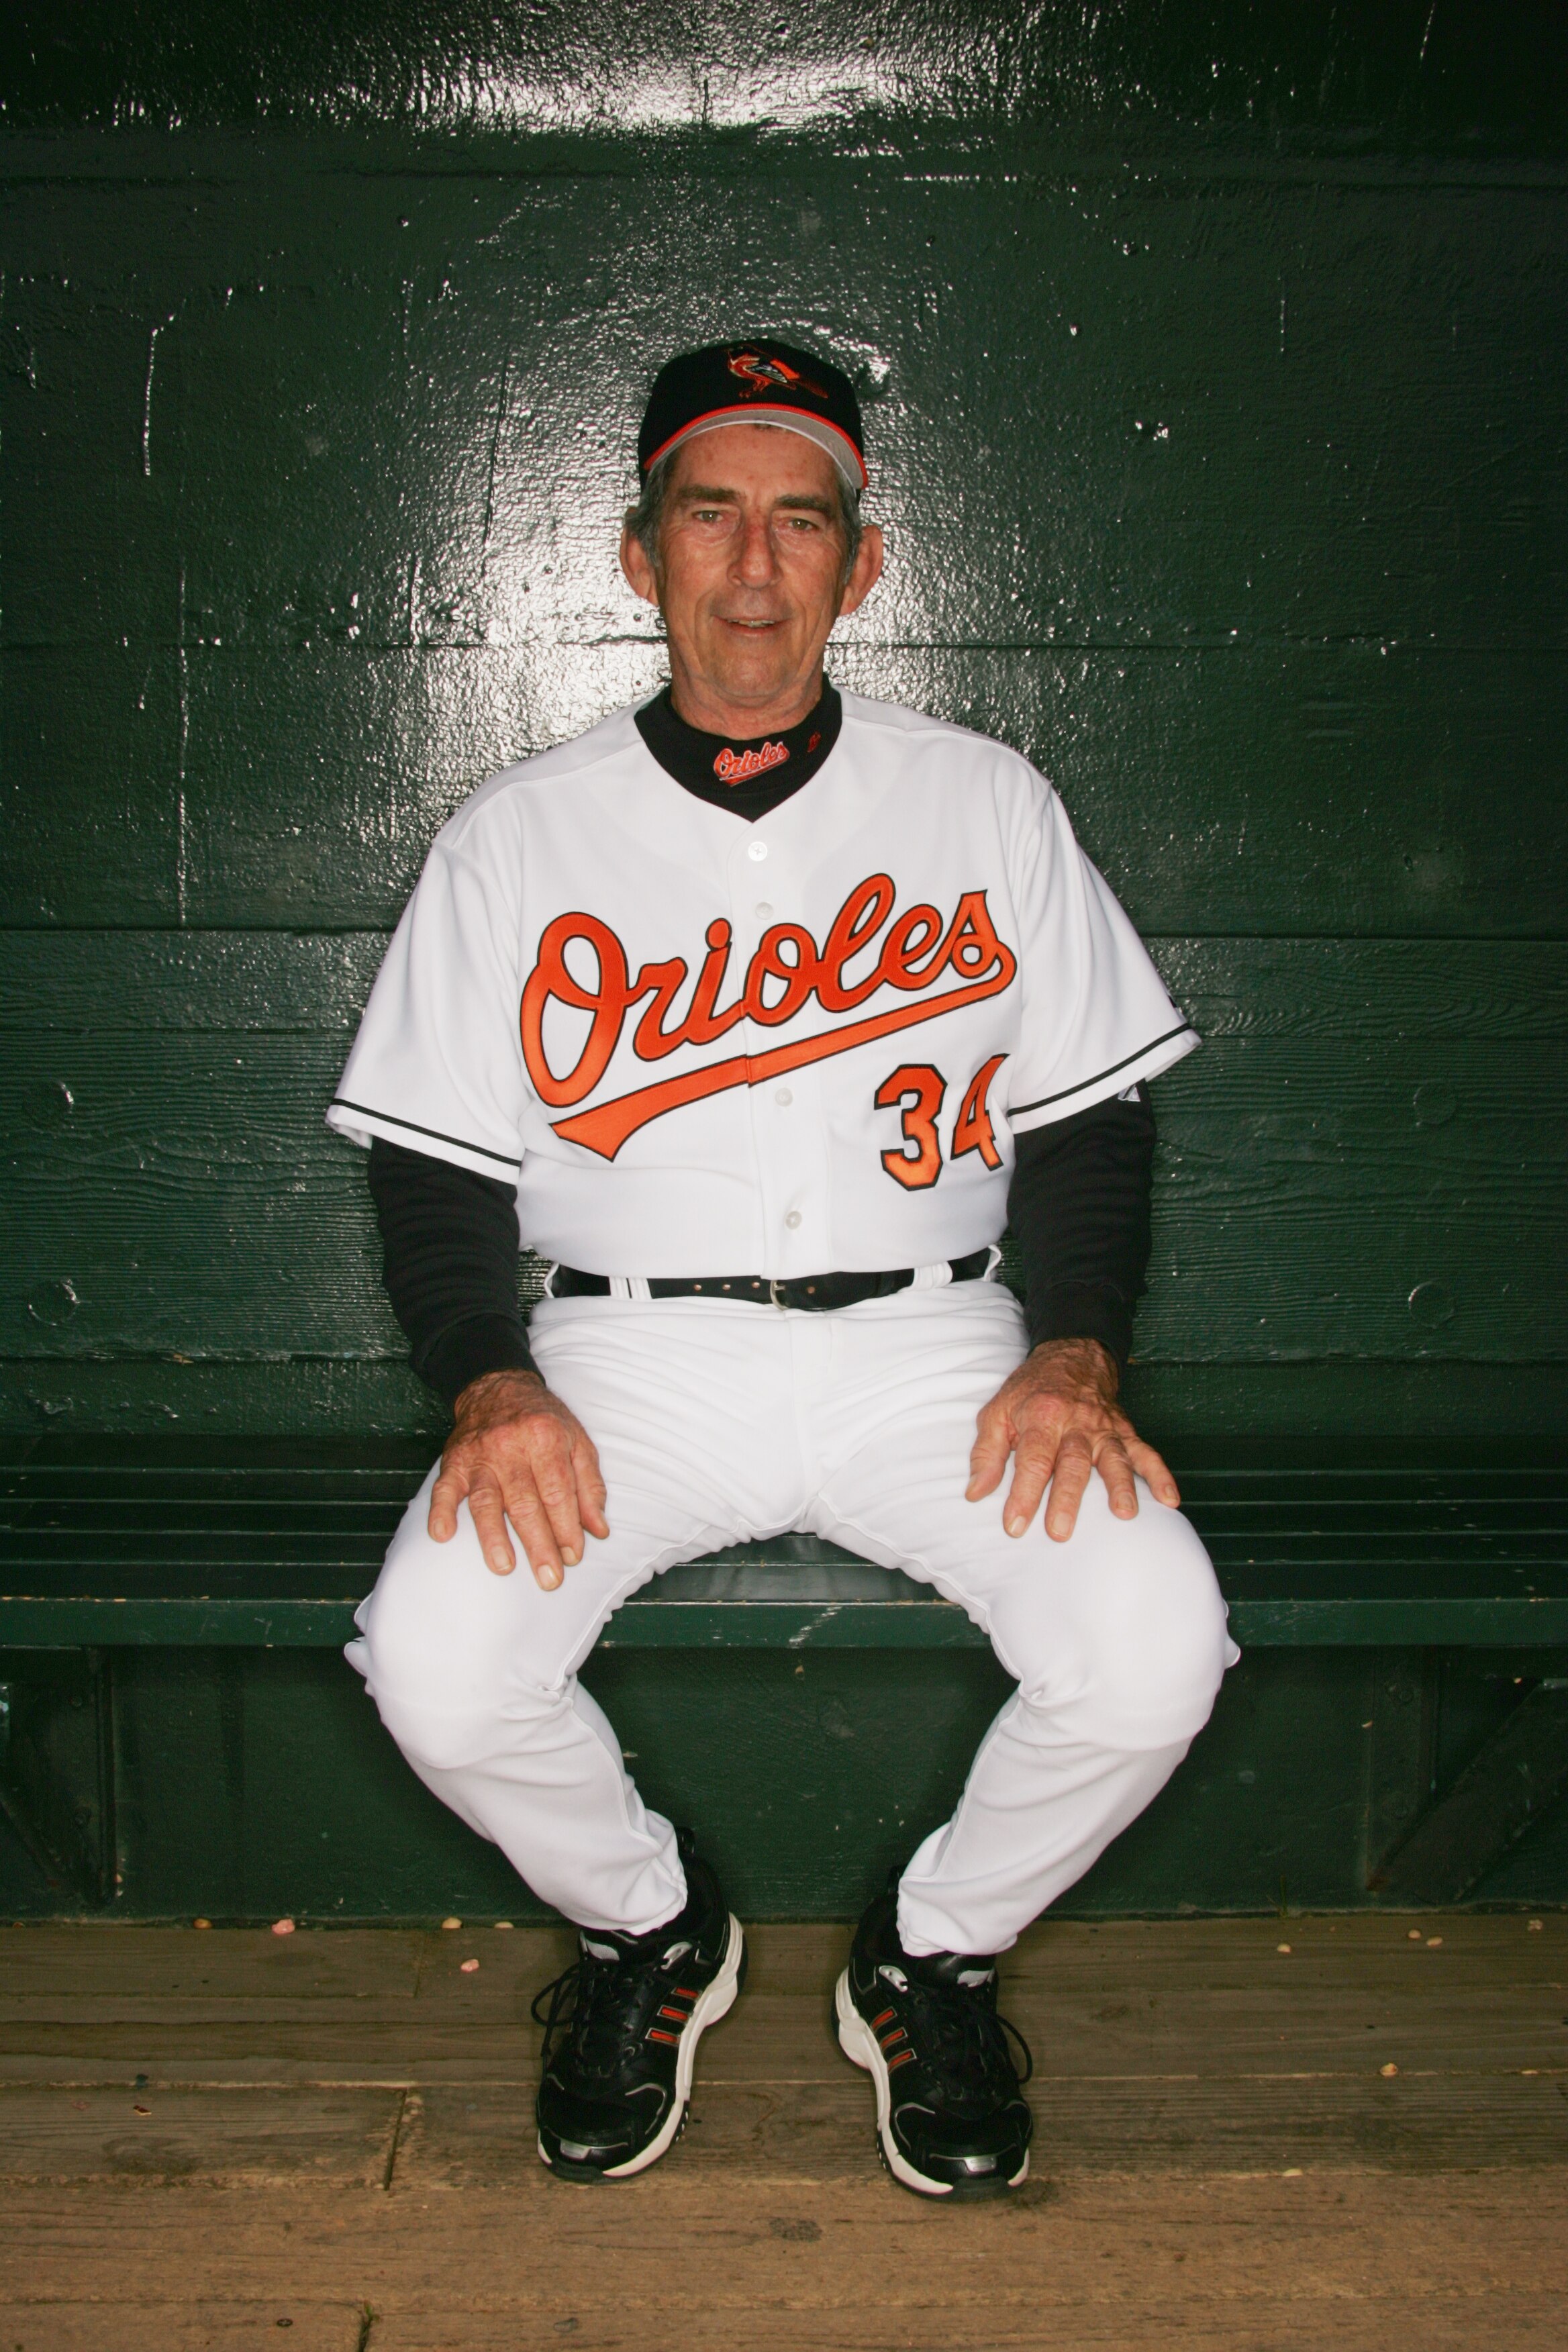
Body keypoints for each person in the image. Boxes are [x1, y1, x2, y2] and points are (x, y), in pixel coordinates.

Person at [328, 338, 1238, 2198]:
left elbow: (1083, 1121)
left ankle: (936, 1951)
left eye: (799, 522)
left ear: (864, 565)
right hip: (619, 1368)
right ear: (638, 553)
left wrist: (1073, 1350)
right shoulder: (516, 839)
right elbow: (433, 1167)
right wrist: (487, 1385)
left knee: (1156, 1654)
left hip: (943, 1346)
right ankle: (653, 1928)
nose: (755, 565)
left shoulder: (985, 805)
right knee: (434, 1665)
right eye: (711, 515)